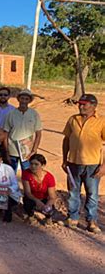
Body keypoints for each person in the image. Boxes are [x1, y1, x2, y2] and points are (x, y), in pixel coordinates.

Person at [62, 94, 105, 233]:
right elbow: (66, 140)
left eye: (84, 104)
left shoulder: (101, 121)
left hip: (93, 165)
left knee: (92, 194)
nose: (80, 106)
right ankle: (73, 217)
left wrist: (104, 166)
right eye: (79, 104)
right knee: (73, 192)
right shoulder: (73, 120)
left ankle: (91, 221)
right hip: (73, 162)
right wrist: (64, 159)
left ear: (93, 106)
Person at [4, 89, 42, 173]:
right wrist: (6, 151)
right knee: (10, 175)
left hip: (27, 152)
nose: (24, 101)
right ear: (18, 99)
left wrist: (34, 150)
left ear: (29, 101)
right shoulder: (11, 114)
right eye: (22, 98)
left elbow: (38, 134)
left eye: (26, 99)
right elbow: (5, 134)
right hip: (12, 150)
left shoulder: (34, 114)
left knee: (28, 175)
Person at [22, 154, 57, 226]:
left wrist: (48, 205)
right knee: (27, 202)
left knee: (50, 208)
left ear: (43, 165)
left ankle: (48, 218)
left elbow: (52, 196)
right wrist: (37, 201)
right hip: (32, 198)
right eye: (31, 164)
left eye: (36, 164)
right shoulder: (26, 174)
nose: (33, 166)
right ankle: (31, 216)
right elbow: (27, 192)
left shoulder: (49, 177)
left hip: (44, 198)